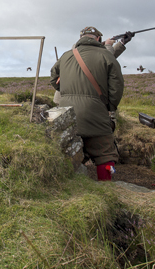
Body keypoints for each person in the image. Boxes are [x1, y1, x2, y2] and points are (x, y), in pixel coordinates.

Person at [50, 26, 125, 181]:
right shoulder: (106, 55)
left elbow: (53, 78)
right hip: (96, 113)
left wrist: (65, 93)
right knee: (106, 154)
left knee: (67, 151)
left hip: (67, 113)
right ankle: (107, 184)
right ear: (98, 38)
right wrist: (109, 108)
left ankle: (69, 186)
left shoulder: (66, 56)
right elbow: (116, 86)